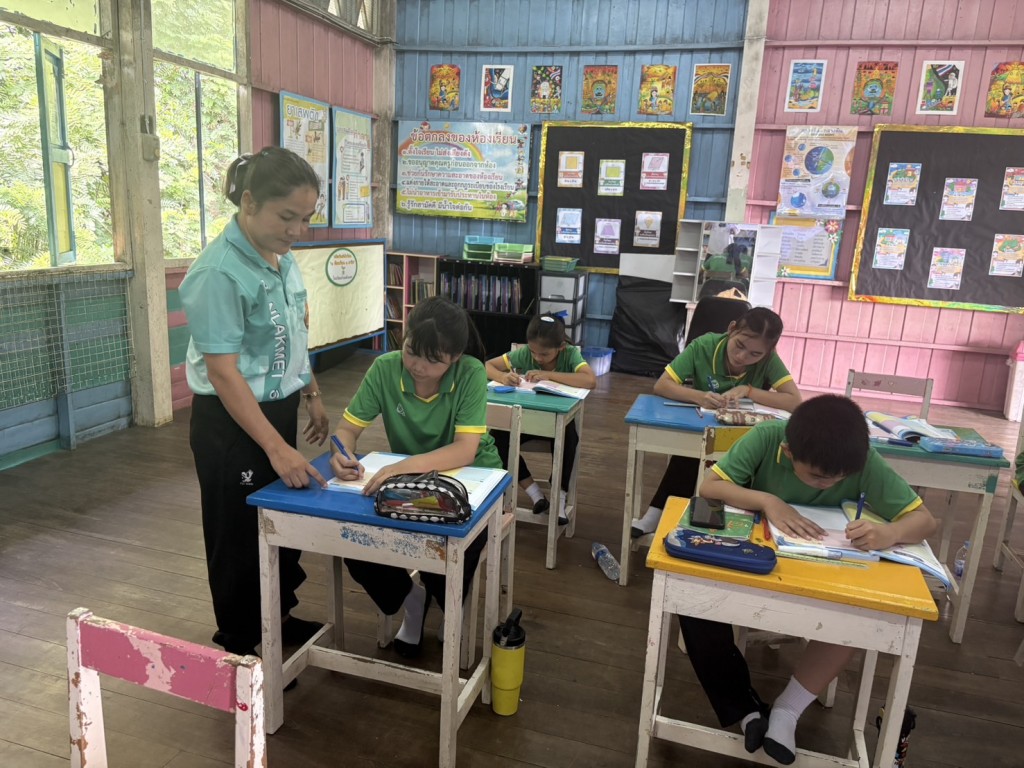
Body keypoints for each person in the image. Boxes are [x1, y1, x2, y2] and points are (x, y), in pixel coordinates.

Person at [688, 395, 938, 764]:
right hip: (758, 560)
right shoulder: (767, 438)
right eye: (818, 476)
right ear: (788, 452)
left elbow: (925, 521)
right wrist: (769, 501)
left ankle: (788, 710)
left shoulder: (858, 458)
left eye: (841, 478)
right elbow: (710, 488)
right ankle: (745, 710)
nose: (829, 484)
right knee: (695, 597)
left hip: (826, 571)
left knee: (859, 610)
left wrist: (890, 532)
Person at [179, 147, 330, 658]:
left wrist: (311, 393)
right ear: (248, 202)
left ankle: (277, 619)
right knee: (238, 533)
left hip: (276, 409)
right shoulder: (219, 272)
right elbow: (223, 372)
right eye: (287, 216)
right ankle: (241, 643)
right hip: (231, 421)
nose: (297, 230)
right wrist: (275, 448)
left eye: (306, 218)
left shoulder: (281, 258)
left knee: (279, 519)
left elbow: (293, 334)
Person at [329, 296, 502, 657]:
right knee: (353, 537)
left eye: (433, 360)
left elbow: (464, 450)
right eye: (410, 352)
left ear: (455, 357)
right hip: (410, 484)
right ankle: (412, 599)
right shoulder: (385, 368)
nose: (417, 366)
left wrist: (399, 467)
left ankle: (450, 604)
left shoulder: (470, 372)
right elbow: (347, 430)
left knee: (453, 541)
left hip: (472, 477)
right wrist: (341, 454)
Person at [631, 307, 801, 538]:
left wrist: (749, 390)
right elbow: (662, 385)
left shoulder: (769, 359)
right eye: (739, 345)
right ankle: (656, 514)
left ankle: (722, 529)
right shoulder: (704, 346)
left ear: (768, 352)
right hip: (703, 425)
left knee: (740, 469)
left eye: (755, 354)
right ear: (731, 329)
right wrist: (699, 396)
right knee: (690, 452)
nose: (742, 357)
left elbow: (794, 401)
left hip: (745, 434)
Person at [485, 314, 597, 523]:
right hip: (527, 419)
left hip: (558, 421)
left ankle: (559, 497)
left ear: (560, 347)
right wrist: (502, 376)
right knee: (497, 438)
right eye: (533, 352)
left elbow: (590, 380)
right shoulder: (524, 354)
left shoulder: (570, 354)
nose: (537, 358)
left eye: (544, 354)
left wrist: (549, 375)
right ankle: (535, 493)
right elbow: (488, 365)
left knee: (569, 438)